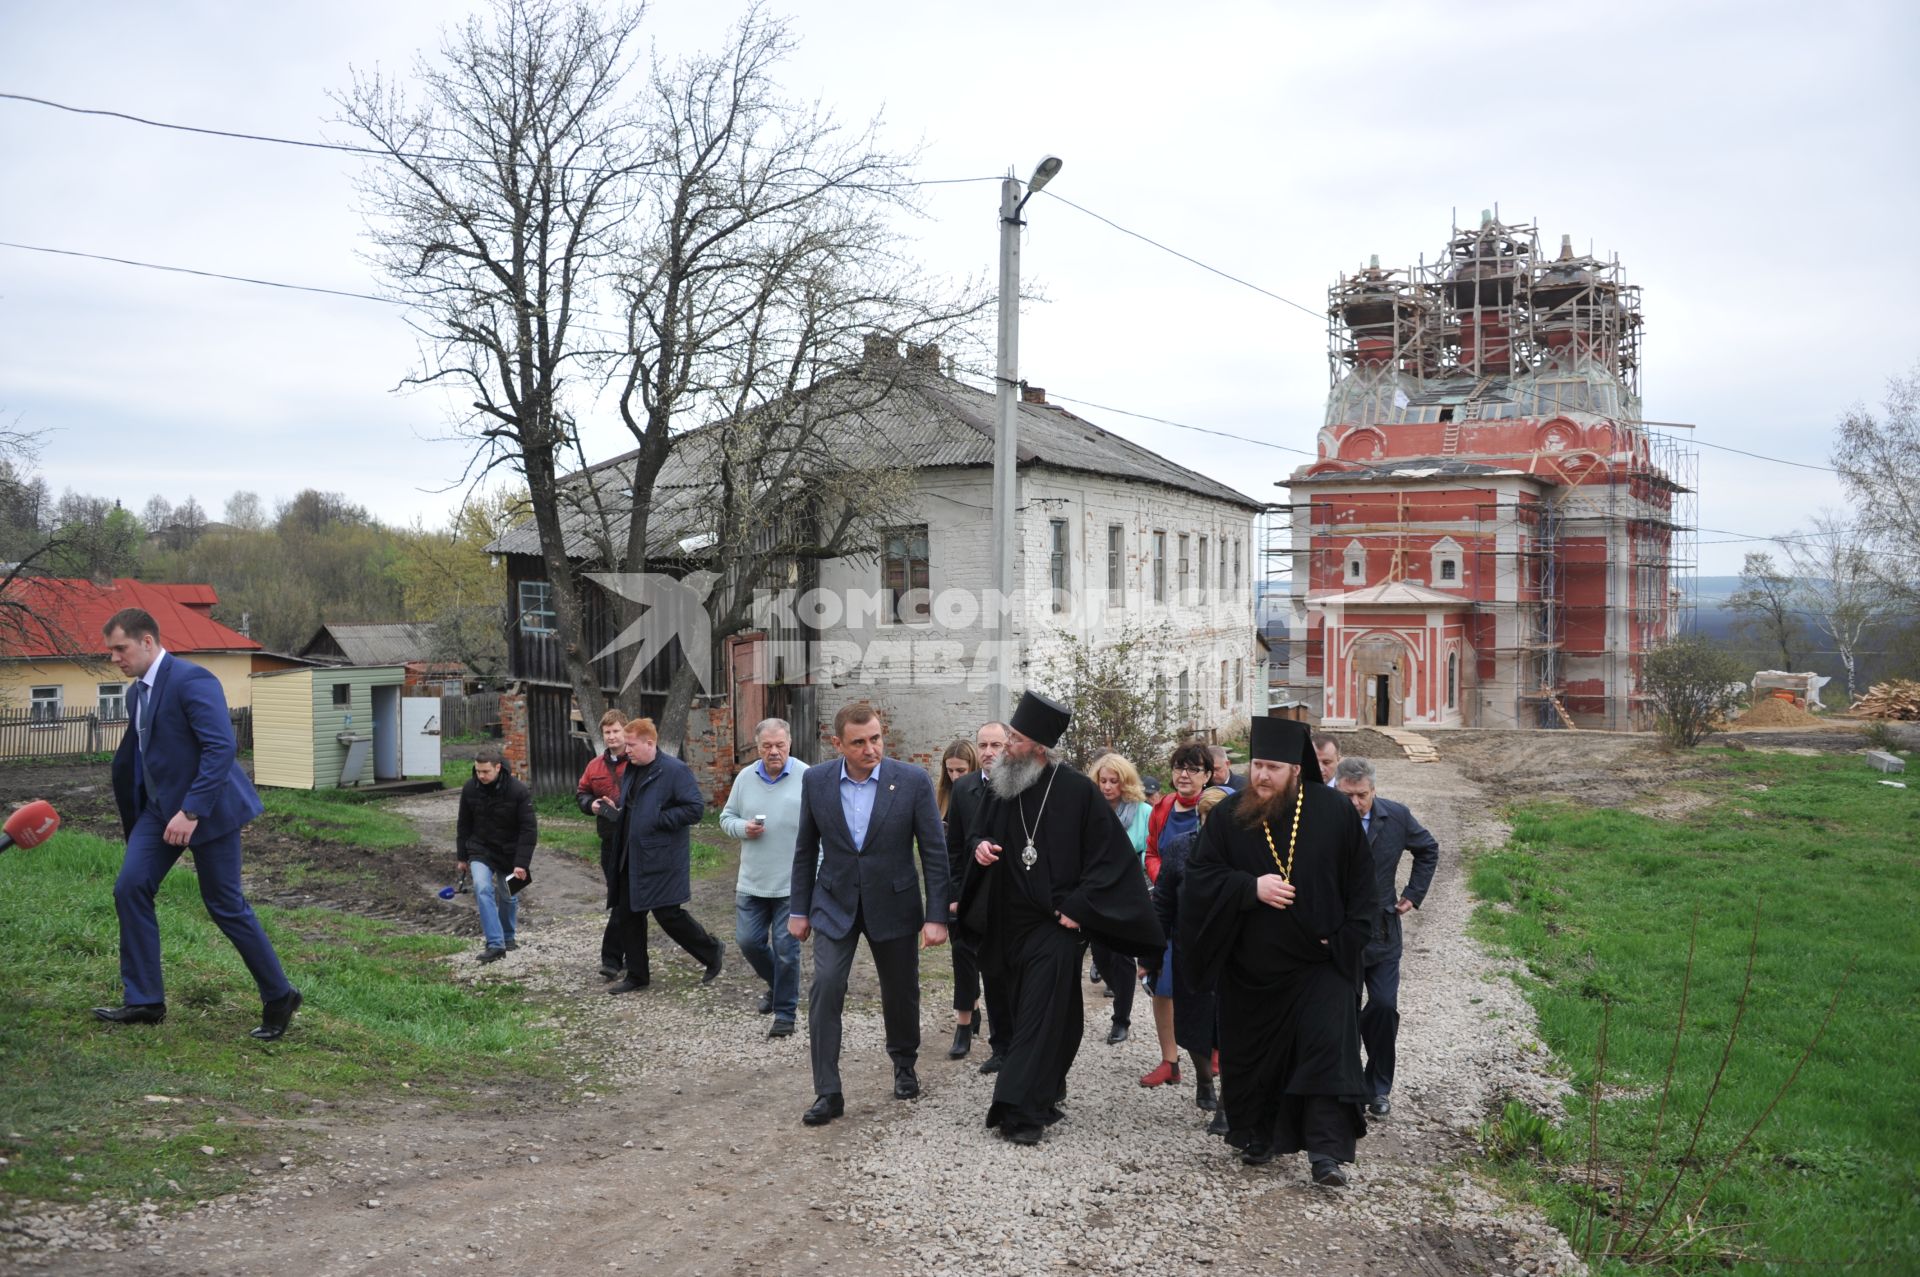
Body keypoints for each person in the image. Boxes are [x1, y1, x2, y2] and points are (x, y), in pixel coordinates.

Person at [957, 692, 1165, 1146]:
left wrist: (1080, 908)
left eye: (1015, 738)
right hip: (1005, 923)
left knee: (1038, 1015)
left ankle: (1018, 1110)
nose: (1006, 745)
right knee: (1060, 1018)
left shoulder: (1077, 792)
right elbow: (977, 832)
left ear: (1038, 747)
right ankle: (1045, 1094)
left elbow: (1113, 863)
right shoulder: (1002, 784)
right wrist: (981, 847)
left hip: (1053, 925)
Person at [1182, 716, 1376, 1186]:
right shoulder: (1230, 817)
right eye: (1257, 766)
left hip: (1320, 964)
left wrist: (1347, 938)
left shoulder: (1333, 811)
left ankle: (1326, 1153)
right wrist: (1250, 888)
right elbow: (1200, 879)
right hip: (1253, 969)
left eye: (1272, 767)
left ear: (1295, 769)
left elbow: (1363, 886)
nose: (1261, 776)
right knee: (1256, 1059)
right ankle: (1260, 1134)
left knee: (1327, 1049)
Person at [94, 607, 301, 1040]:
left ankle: (279, 994)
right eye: (111, 650)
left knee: (224, 905)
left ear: (147, 641)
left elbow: (220, 747)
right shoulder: (135, 695)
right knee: (129, 887)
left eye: (121, 648)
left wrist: (190, 812)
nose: (114, 657)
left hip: (209, 811)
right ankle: (146, 1000)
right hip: (158, 811)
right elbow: (135, 760)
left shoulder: (191, 680)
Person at [789, 703, 949, 1126]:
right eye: (859, 742)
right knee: (825, 986)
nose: (870, 749)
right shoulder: (817, 780)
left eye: (875, 738)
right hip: (833, 902)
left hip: (894, 902)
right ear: (838, 743)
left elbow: (934, 852)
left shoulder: (911, 780)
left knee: (900, 990)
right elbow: (805, 849)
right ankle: (828, 1090)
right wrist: (798, 909)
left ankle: (904, 1063)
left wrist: (937, 916)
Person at [1332, 756, 1439, 1118]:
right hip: (1339, 934)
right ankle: (1346, 1086)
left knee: (1382, 1007)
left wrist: (1414, 892)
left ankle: (1378, 1086)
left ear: (1373, 791)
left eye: (1361, 795)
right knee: (1341, 1012)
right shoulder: (1321, 821)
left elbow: (1428, 848)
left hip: (1382, 932)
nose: (1354, 803)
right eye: (1346, 795)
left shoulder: (1395, 817)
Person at [607, 718, 725, 995]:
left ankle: (711, 950)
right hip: (629, 854)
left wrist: (658, 818)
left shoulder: (674, 771)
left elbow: (694, 809)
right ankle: (637, 975)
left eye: (632, 745)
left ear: (650, 743)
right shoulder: (632, 769)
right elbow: (634, 806)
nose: (627, 750)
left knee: (667, 914)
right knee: (628, 914)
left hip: (661, 858)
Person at [719, 718, 809, 1038]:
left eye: (779, 745)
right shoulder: (745, 778)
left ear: (790, 744)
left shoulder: (806, 777)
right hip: (753, 880)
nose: (774, 751)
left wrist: (817, 868)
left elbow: (823, 829)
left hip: (792, 882)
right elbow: (726, 818)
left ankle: (785, 1013)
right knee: (748, 942)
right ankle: (777, 984)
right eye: (767, 746)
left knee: (787, 949)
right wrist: (743, 828)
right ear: (757, 748)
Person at [1145, 785, 1230, 1124]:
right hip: (1189, 954)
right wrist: (1151, 955)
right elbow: (1164, 903)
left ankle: (1227, 1106)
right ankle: (1204, 1080)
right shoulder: (1181, 850)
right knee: (1193, 1026)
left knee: (1232, 1028)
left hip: (1233, 958)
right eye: (1207, 819)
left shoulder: (1246, 853)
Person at [943, 720, 1010, 1064]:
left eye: (995, 745)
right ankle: (974, 1031)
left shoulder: (1019, 787)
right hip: (971, 892)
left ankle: (1007, 1043)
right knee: (966, 956)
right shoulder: (964, 788)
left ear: (1007, 747)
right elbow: (954, 848)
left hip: (1010, 895)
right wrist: (955, 894)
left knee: (1003, 971)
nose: (988, 752)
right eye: (983, 745)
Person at [1088, 752, 1150, 1046]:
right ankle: (1120, 989)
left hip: (1131, 891)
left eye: (1114, 781)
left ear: (1125, 783)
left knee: (1122, 956)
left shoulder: (1143, 812)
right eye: (1103, 780)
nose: (1108, 787)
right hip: (1098, 891)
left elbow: (1151, 852)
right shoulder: (1090, 810)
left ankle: (1121, 1019)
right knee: (1101, 955)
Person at [456, 745, 538, 963]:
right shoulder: (470, 788)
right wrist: (462, 857)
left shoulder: (518, 790)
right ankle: (495, 944)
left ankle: (508, 937)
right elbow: (463, 824)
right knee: (482, 888)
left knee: (509, 896)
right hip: (480, 849)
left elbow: (529, 829)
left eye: (485, 772)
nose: (480, 776)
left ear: (498, 768)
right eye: (477, 771)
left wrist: (522, 863)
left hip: (510, 853)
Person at [576, 709, 630, 981]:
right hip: (609, 841)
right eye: (607, 732)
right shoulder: (594, 766)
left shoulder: (638, 761)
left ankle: (615, 958)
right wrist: (592, 804)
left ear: (626, 731)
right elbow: (582, 793)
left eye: (616, 731)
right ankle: (620, 958)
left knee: (630, 901)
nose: (611, 736)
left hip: (636, 841)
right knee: (620, 899)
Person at [1146, 741, 1212, 883]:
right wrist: (1161, 878)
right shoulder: (1161, 807)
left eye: (1193, 769)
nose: (1183, 775)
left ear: (1207, 776)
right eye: (1178, 767)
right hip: (1166, 896)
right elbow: (1151, 853)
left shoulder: (1214, 809)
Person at [937, 738, 979, 818]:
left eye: (961, 770)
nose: (955, 777)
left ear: (973, 766)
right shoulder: (942, 796)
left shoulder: (985, 797)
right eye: (950, 770)